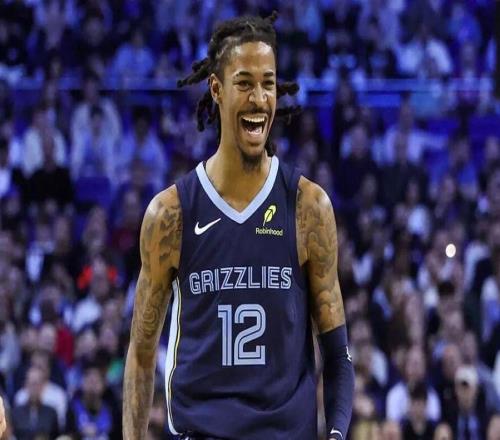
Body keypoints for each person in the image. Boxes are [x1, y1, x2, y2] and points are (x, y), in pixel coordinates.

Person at [123, 12, 354, 440]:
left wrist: (337, 433)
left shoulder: (308, 207)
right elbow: (141, 353)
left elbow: (338, 355)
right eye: (244, 83)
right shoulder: (170, 214)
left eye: (268, 83)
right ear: (216, 89)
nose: (259, 98)